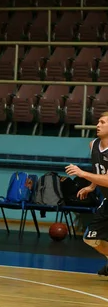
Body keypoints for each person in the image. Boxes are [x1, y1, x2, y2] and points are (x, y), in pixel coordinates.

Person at [66, 111, 108, 276]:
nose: (98, 125)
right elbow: (100, 171)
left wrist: (82, 174)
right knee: (90, 238)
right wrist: (91, 186)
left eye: (103, 122)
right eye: (98, 122)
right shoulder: (93, 144)